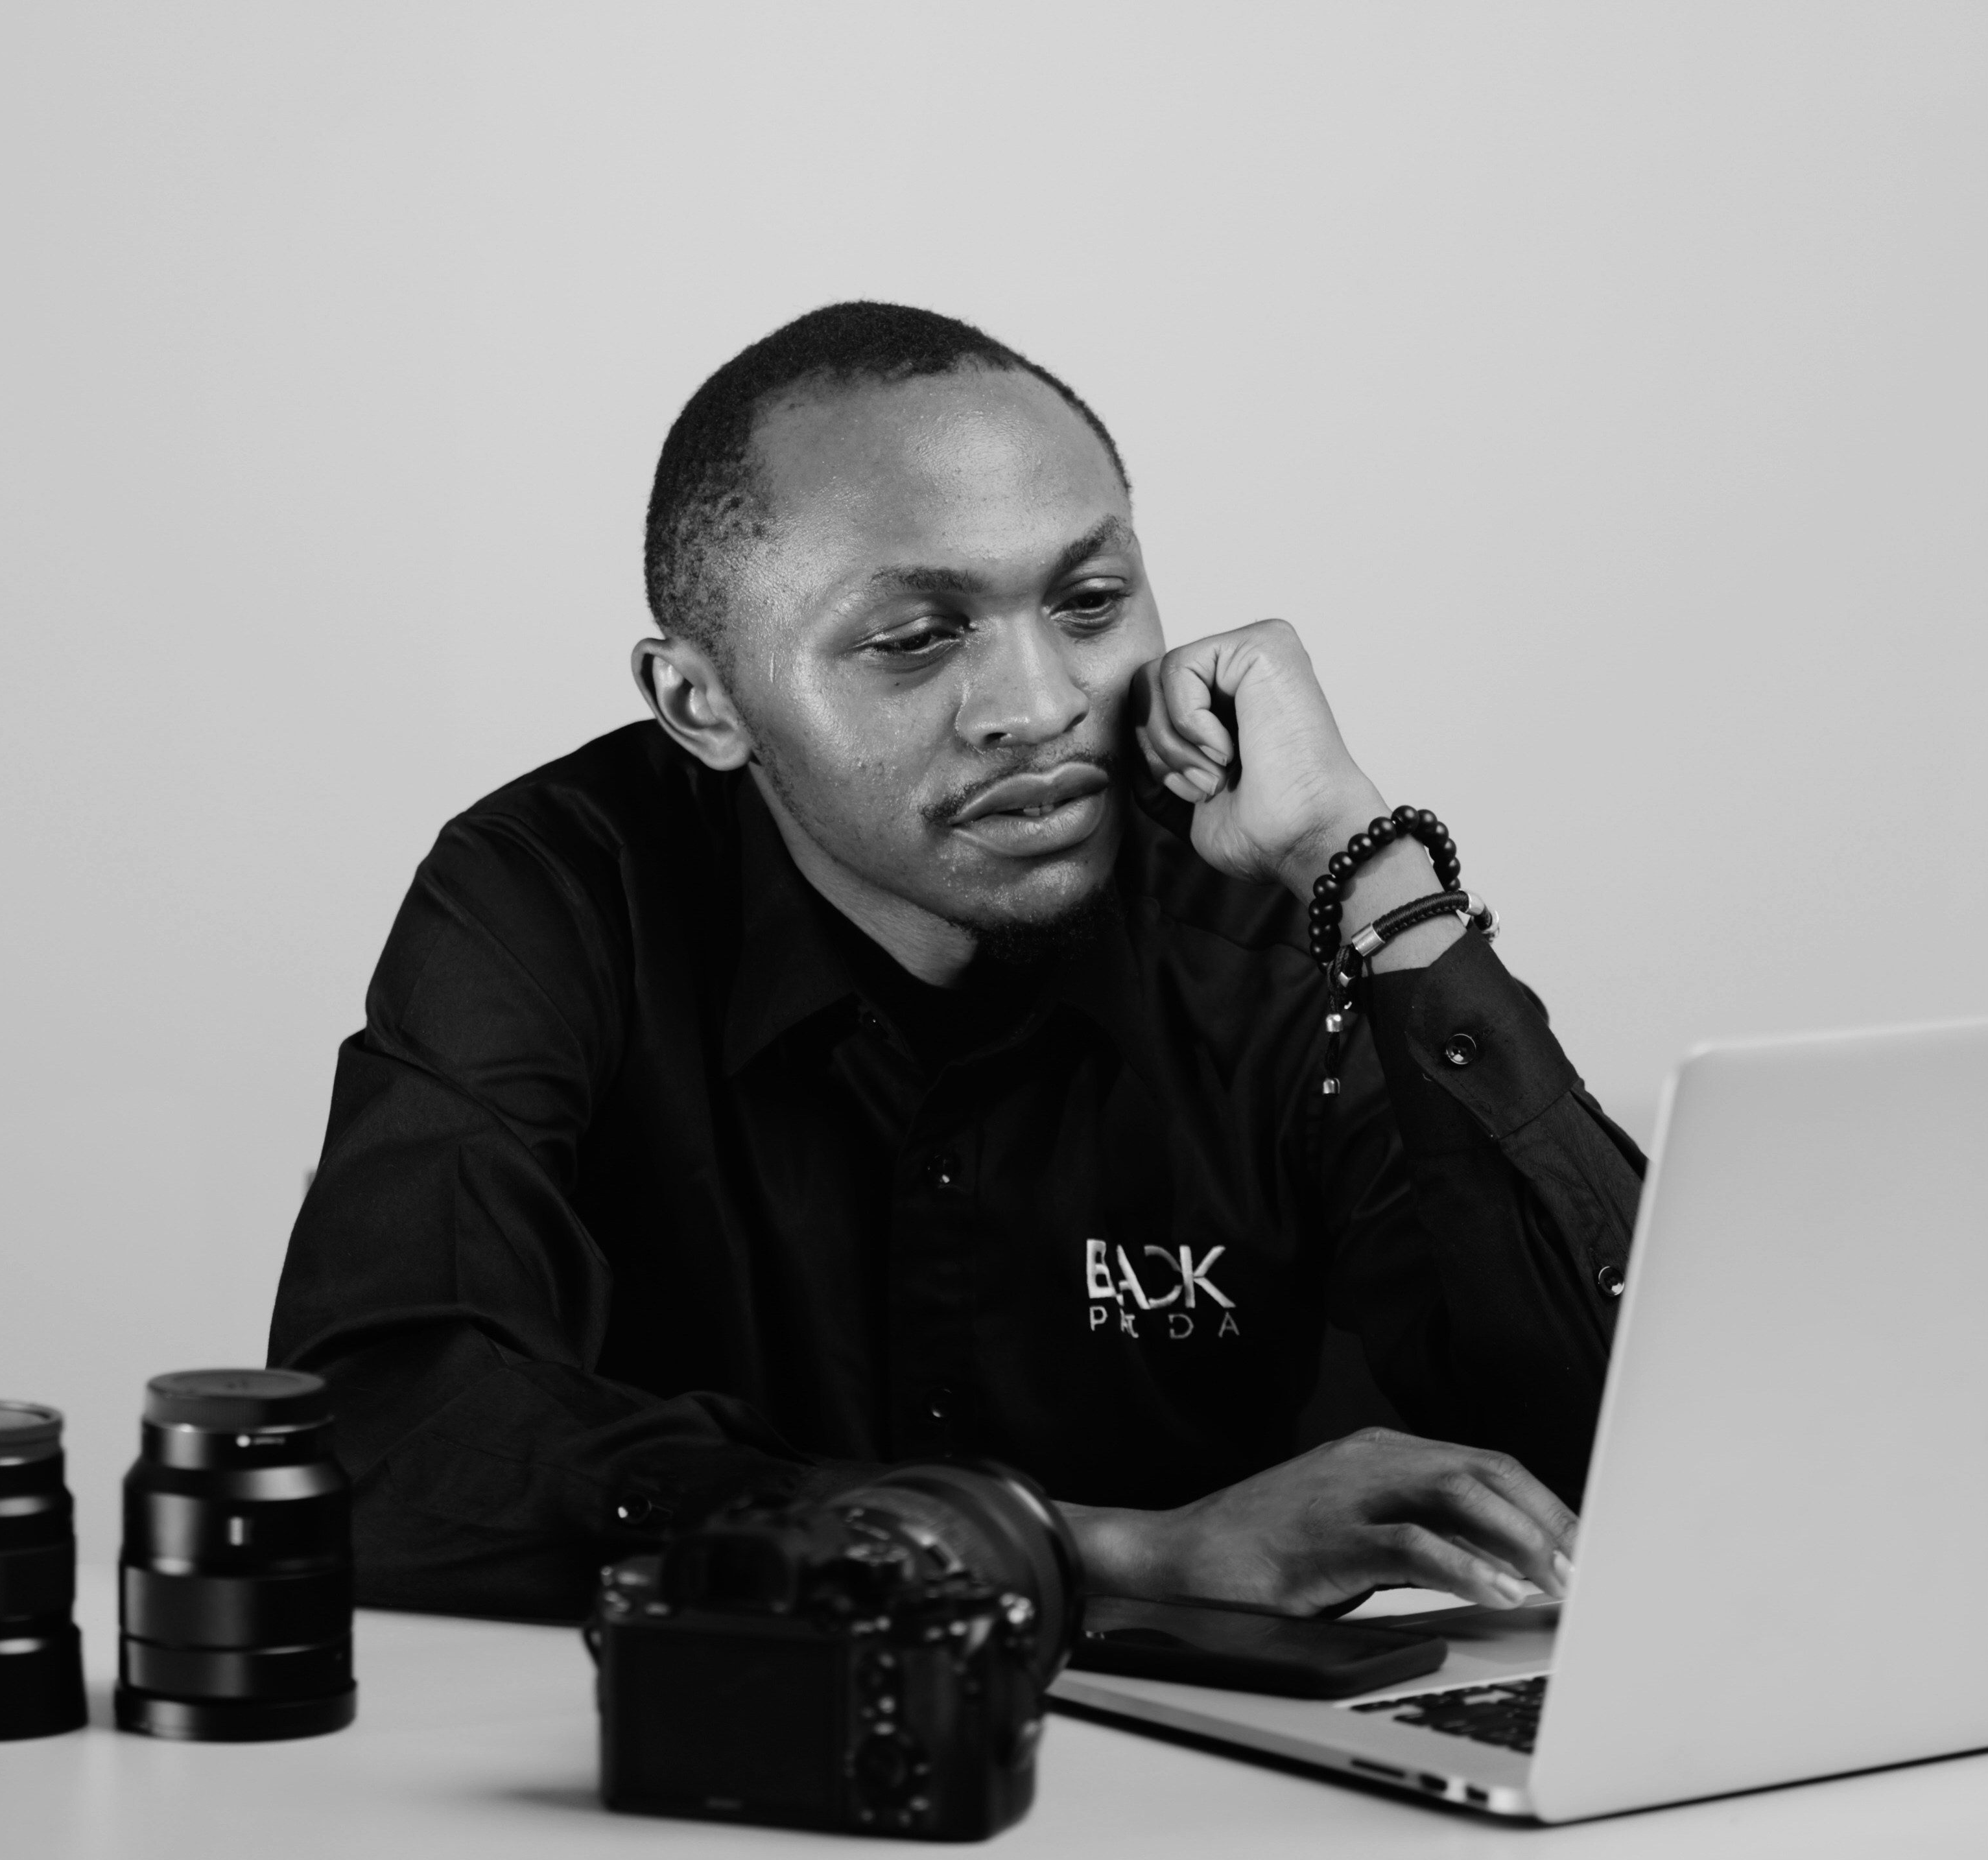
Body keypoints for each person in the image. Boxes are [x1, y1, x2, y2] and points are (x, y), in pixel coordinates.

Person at [270, 301, 1643, 1623]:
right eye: (916, 638)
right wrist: (1086, 1552)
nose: (1040, 705)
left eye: (1090, 600)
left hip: (1229, 1823)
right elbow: (385, 1425)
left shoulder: (1262, 903)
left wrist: (1367, 862)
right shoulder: (559, 895)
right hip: (699, 1796)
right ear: (702, 702)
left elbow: (1636, 1453)